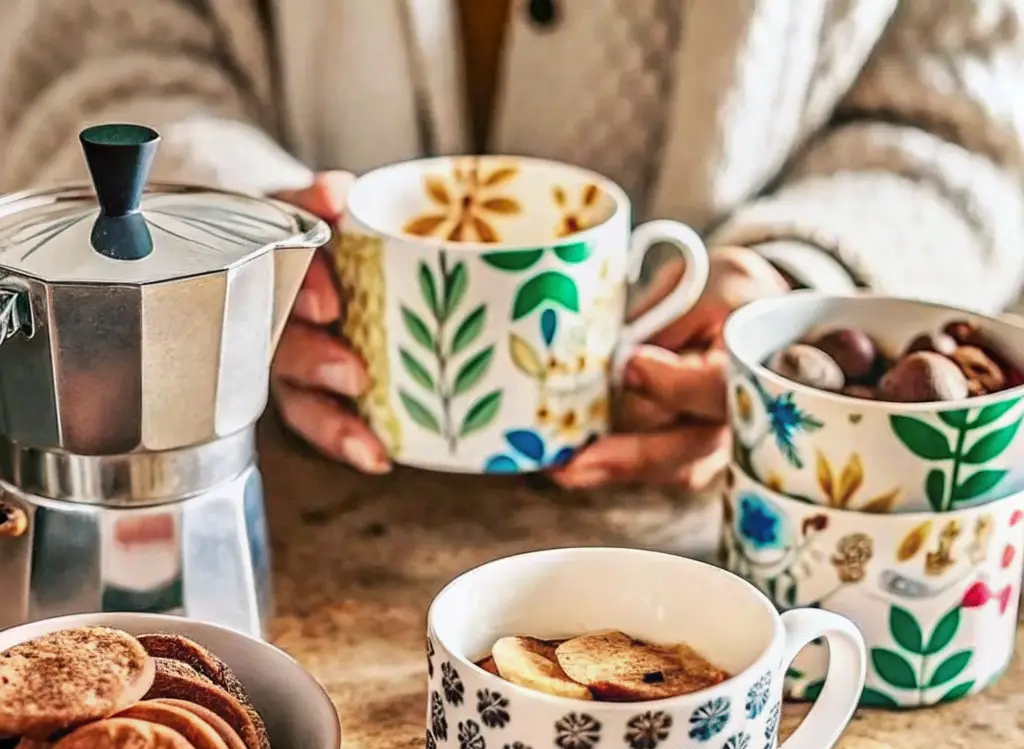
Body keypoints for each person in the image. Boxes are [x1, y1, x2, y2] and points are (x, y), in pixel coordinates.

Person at [3, 0, 1024, 489]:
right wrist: (231, 222)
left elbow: (964, 101)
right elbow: (100, 37)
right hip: (274, 470)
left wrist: (788, 294)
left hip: (698, 525)